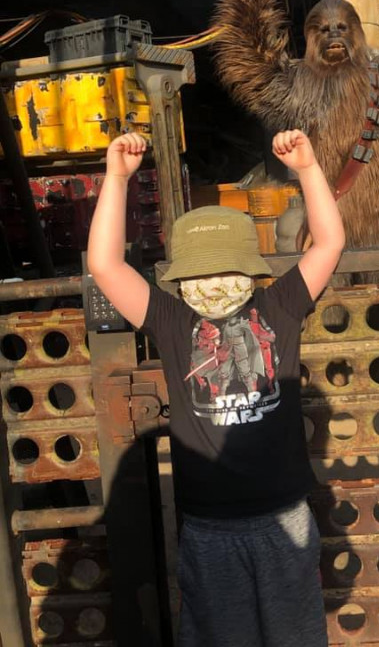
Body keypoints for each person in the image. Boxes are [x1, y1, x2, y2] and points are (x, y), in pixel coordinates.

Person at [87, 128, 345, 647]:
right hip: (208, 527)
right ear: (178, 280)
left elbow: (331, 242)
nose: (214, 285)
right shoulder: (169, 318)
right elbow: (104, 265)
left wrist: (309, 169)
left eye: (227, 271)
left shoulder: (281, 307)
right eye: (200, 274)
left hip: (286, 517)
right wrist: (115, 179)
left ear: (252, 272)